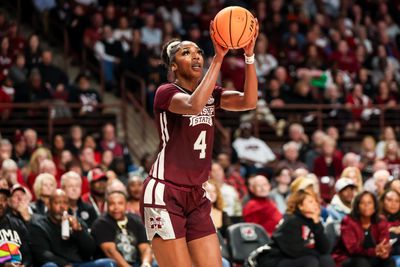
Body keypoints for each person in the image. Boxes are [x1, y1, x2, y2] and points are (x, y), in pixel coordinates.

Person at [140, 19, 259, 267]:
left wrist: (249, 56)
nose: (195, 56)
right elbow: (194, 106)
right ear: (173, 65)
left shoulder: (212, 94)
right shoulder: (166, 92)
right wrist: (218, 57)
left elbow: (249, 101)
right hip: (165, 192)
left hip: (197, 194)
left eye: (198, 52)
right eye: (186, 53)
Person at [29, 189, 116, 267]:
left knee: (108, 263)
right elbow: (42, 253)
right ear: (49, 205)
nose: (62, 206)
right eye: (57, 203)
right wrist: (64, 264)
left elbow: (90, 250)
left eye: (65, 203)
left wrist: (79, 231)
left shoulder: (77, 222)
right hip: (57, 264)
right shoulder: (39, 225)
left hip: (80, 264)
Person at [260, 190, 335, 267]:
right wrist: (317, 253)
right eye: (311, 202)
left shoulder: (313, 220)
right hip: (278, 258)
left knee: (326, 259)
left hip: (301, 256)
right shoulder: (291, 220)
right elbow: (295, 251)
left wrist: (317, 223)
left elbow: (325, 249)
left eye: (316, 201)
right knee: (310, 261)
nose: (315, 204)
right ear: (300, 206)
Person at [91, 190, 154, 267]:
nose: (116, 207)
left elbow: (145, 248)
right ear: (107, 206)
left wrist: (145, 263)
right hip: (113, 264)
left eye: (120, 203)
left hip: (137, 263)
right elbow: (110, 252)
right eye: (112, 204)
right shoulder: (101, 223)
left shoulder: (136, 220)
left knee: (155, 263)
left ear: (126, 205)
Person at [332, 191, 395, 267]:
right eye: (362, 203)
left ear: (374, 206)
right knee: (362, 262)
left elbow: (384, 243)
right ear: (357, 206)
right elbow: (352, 249)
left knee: (389, 261)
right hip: (349, 258)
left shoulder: (381, 221)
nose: (366, 206)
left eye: (369, 203)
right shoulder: (348, 221)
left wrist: (384, 252)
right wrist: (374, 251)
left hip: (373, 256)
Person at [0, 187, 31, 267]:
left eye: (4, 200)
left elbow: (28, 250)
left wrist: (25, 264)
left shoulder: (17, 223)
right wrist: (4, 265)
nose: (1, 203)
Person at [380, 189, 400, 266]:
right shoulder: (375, 218)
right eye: (389, 200)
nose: (393, 204)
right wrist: (390, 230)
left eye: (397, 201)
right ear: (382, 201)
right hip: (383, 256)